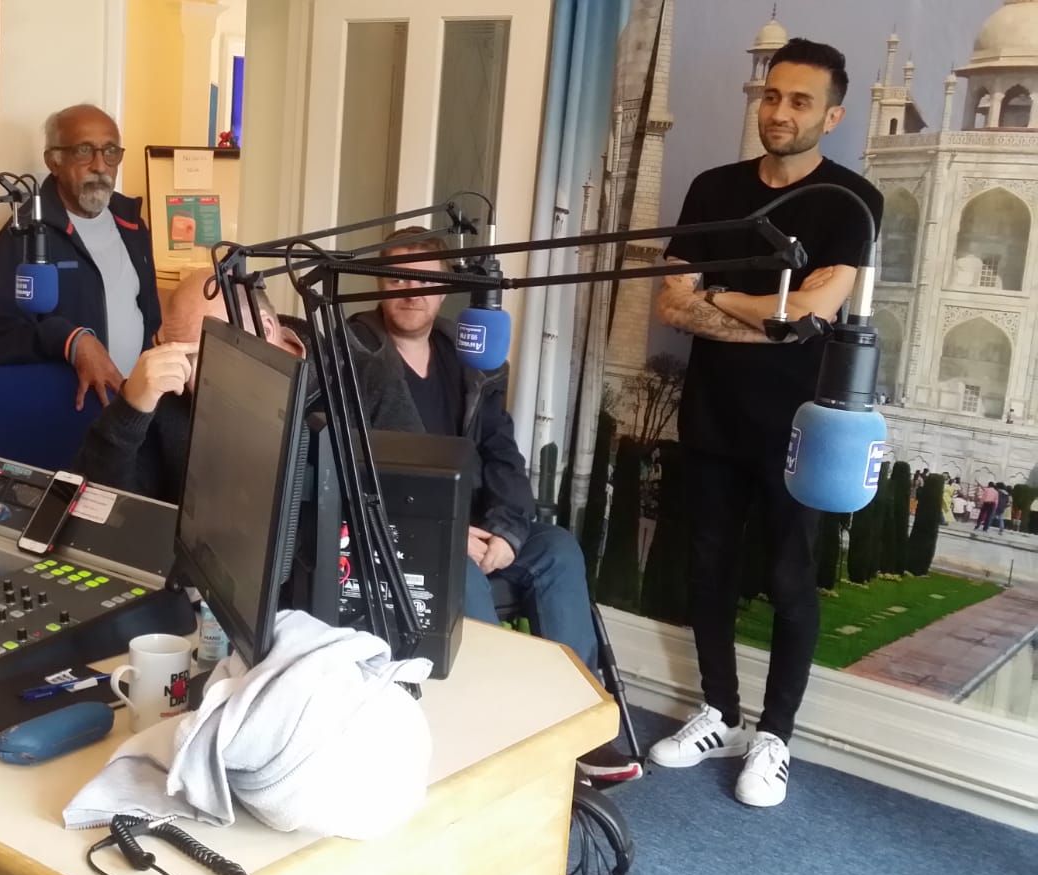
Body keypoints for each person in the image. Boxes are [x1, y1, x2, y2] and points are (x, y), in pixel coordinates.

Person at [645, 38, 883, 808]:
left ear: (833, 115)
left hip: (799, 426)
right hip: (714, 412)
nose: (779, 112)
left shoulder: (851, 201)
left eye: (801, 100)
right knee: (707, 566)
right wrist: (763, 311)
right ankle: (718, 710)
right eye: (772, 96)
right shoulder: (714, 188)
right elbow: (671, 303)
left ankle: (775, 736)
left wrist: (721, 298)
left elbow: (816, 314)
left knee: (787, 577)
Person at [349, 229, 640, 784]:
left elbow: (501, 450)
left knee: (556, 548)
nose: (412, 292)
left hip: (481, 522)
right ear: (380, 285)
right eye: (398, 279)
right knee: (459, 572)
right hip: (407, 529)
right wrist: (451, 531)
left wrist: (507, 529)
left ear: (446, 288)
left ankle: (576, 722)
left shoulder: (469, 353)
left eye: (426, 279)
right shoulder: (355, 352)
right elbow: (354, 464)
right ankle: (500, 730)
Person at [76, 268, 419, 503]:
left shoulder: (365, 376)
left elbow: (417, 492)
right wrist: (130, 411)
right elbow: (101, 510)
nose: (188, 378)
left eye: (204, 352)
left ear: (265, 328)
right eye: (173, 350)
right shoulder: (170, 393)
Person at [0, 103, 160, 410]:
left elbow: (151, 317)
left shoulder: (133, 225)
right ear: (54, 161)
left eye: (111, 151)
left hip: (132, 408)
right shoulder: (24, 236)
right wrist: (72, 341)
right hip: (65, 413)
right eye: (84, 151)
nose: (101, 166)